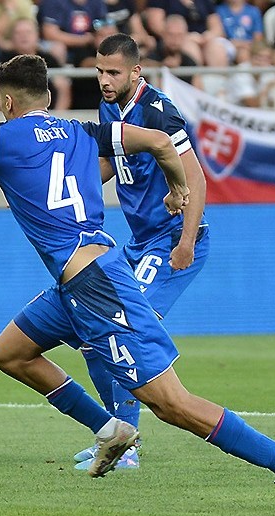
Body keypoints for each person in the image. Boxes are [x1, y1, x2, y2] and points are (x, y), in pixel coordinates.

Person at [0, 54, 275, 512]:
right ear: (47, 95)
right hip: (80, 281)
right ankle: (111, 429)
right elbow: (162, 143)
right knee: (11, 352)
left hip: (99, 286)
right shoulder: (83, 130)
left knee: (173, 405)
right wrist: (178, 188)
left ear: (5, 100)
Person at [63, 33, 210, 470]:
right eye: (99, 71)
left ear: (135, 72)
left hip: (170, 243)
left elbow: (195, 179)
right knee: (93, 336)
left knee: (118, 330)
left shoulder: (158, 112)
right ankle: (113, 433)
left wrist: (184, 242)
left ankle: (128, 449)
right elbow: (111, 162)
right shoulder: (111, 108)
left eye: (113, 72)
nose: (105, 80)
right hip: (140, 242)